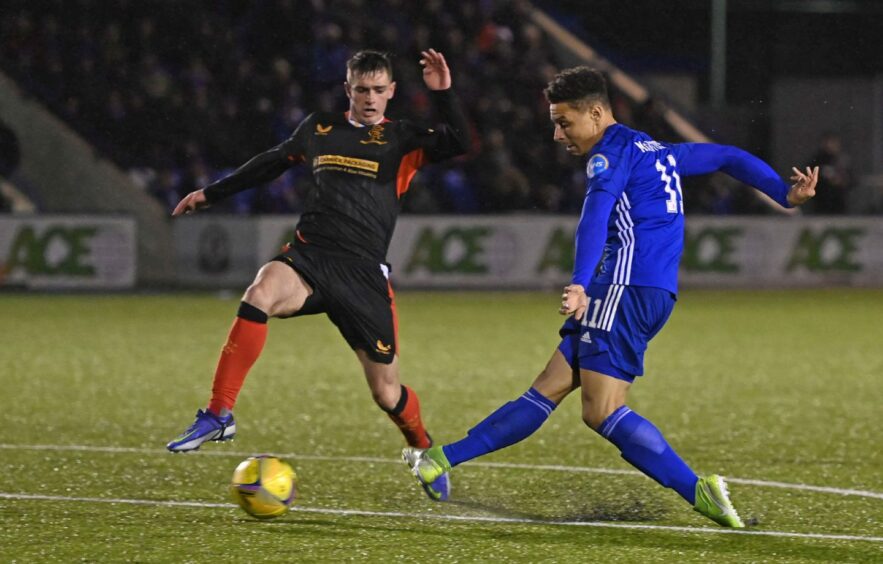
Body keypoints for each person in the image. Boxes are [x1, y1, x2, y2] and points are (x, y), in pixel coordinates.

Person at [402, 67, 818, 525]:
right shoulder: (656, 150)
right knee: (549, 385)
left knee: (601, 411)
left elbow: (595, 215)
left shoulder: (609, 154)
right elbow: (726, 156)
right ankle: (439, 459)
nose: (558, 134)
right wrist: (782, 192)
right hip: (650, 291)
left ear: (597, 113)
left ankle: (698, 490)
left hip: (620, 289)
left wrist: (580, 283)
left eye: (564, 122)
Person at [167, 49, 469, 502]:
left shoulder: (404, 138)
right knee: (261, 290)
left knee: (387, 394)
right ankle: (218, 413)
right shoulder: (319, 129)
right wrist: (211, 194)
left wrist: (443, 92)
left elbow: (459, 141)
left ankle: (423, 449)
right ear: (348, 90)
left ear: (391, 92)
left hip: (364, 274)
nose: (370, 98)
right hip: (310, 257)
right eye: (362, 89)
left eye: (378, 90)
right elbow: (271, 161)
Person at [807, 132, 852, 214]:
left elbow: (851, 179)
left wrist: (842, 181)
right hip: (822, 202)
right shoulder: (817, 161)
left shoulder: (842, 160)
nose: (834, 145)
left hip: (839, 203)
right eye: (831, 142)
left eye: (836, 143)